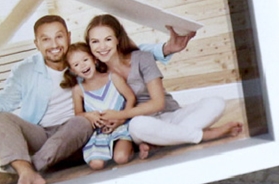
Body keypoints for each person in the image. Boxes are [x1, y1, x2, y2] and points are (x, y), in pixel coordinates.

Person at [0, 15, 194, 184]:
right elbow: (1, 104)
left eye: (59, 37)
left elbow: (124, 51)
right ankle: (26, 170)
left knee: (80, 121)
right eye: (46, 39)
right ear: (36, 44)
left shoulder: (84, 58)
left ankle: (18, 172)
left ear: (68, 37)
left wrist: (166, 48)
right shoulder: (25, 70)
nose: (54, 45)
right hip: (43, 136)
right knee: (0, 119)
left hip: (80, 136)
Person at [84, 14, 242, 158]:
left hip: (171, 115)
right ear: (89, 45)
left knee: (216, 102)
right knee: (137, 125)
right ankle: (205, 135)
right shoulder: (94, 73)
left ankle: (162, 141)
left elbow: (158, 103)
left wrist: (120, 115)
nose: (102, 47)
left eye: (108, 39)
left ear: (118, 39)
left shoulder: (142, 58)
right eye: (95, 41)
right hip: (142, 124)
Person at [63, 42, 136, 170]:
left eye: (85, 60)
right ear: (73, 71)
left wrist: (122, 118)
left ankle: (132, 146)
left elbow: (131, 97)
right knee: (96, 164)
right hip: (100, 133)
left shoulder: (112, 78)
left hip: (122, 126)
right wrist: (89, 115)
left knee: (121, 158)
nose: (82, 65)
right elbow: (78, 114)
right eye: (76, 64)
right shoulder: (78, 90)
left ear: (94, 59)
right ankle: (108, 150)